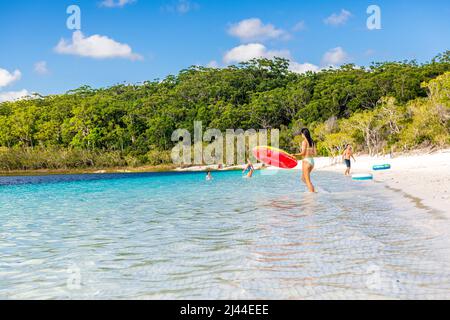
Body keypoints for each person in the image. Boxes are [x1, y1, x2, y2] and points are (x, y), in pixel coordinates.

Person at [295, 128, 317, 193]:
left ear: (303, 134)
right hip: (312, 161)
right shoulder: (312, 142)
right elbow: (315, 153)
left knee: (307, 180)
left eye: (301, 133)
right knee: (303, 178)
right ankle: (312, 189)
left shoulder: (304, 142)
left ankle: (312, 194)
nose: (301, 135)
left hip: (306, 161)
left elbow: (303, 153)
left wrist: (294, 154)